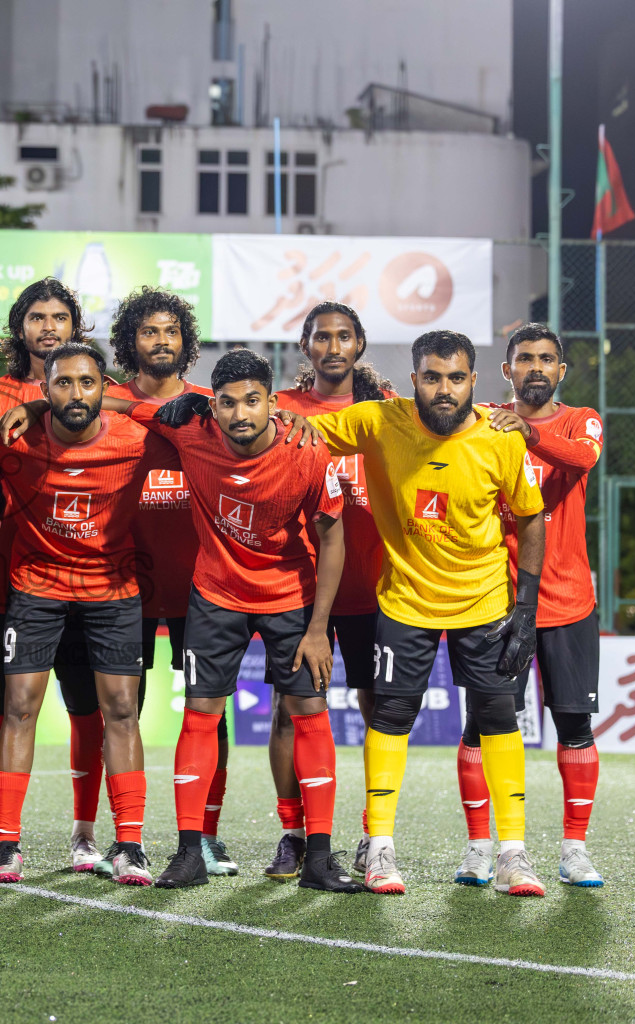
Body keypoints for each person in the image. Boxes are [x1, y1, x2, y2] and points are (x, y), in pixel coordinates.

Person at [86, 350, 362, 893]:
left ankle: (320, 856)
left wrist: (316, 629)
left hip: (290, 596)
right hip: (215, 594)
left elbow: (332, 538)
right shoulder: (192, 428)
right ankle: (190, 852)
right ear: (213, 407)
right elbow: (123, 401)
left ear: (273, 404)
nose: (241, 413)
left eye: (253, 401)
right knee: (200, 716)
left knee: (309, 714)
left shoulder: (307, 451)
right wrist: (45, 399)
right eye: (228, 403)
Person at [297, 330, 547, 896]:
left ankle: (512, 851)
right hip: (405, 599)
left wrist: (525, 609)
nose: (444, 389)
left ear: (473, 383)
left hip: (484, 600)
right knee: (391, 716)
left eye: (455, 378)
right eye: (432, 377)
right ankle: (380, 847)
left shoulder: (502, 439)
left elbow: (533, 518)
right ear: (413, 381)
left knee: (497, 717)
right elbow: (300, 428)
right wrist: (233, 406)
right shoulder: (380, 420)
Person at [0, 342, 165, 885]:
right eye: (62, 384)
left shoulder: (136, 441)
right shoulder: (18, 441)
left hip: (112, 591)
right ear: (45, 390)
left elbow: (184, 415)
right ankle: (6, 845)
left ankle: (129, 843)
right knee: (19, 707)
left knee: (121, 711)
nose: (76, 394)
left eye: (88, 383)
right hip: (36, 588)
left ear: (105, 389)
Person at [0, 278, 104, 872]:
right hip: (15, 580)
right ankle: (4, 836)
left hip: (95, 582)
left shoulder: (100, 392)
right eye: (37, 317)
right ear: (19, 329)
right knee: (8, 708)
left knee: (88, 708)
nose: (49, 327)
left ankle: (85, 833)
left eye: (60, 317)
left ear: (76, 327)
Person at [454, 323, 605, 887]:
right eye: (524, 359)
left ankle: (574, 849)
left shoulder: (579, 420)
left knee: (575, 726)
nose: (535, 367)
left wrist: (529, 435)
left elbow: (582, 459)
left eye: (546, 359)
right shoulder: (487, 421)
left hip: (568, 603)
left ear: (561, 371)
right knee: (482, 727)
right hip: (496, 599)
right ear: (506, 370)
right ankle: (478, 846)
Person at [102, 287, 232, 876]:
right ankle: (128, 838)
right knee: (123, 708)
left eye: (171, 331)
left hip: (201, 585)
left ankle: (204, 834)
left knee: (209, 714)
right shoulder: (102, 401)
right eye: (149, 331)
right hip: (125, 582)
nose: (161, 341)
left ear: (186, 342)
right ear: (131, 341)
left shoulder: (212, 405)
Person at [269, 302, 395, 879]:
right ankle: (292, 833)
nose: (334, 346)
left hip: (372, 587)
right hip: (300, 588)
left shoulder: (388, 413)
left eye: (345, 336)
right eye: (323, 337)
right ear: (306, 346)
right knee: (288, 711)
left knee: (378, 711)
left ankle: (376, 834)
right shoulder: (283, 411)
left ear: (360, 344)